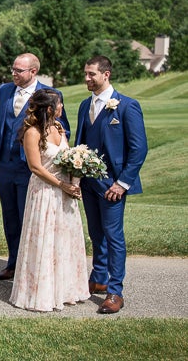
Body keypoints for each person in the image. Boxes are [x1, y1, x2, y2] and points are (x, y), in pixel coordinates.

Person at [0, 53, 70, 281]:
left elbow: (62, 130)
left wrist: (47, 157)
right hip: (3, 164)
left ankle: (29, 268)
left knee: (29, 218)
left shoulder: (51, 94)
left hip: (31, 168)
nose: (14, 73)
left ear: (33, 72)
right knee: (10, 216)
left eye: (19, 70)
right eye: (13, 69)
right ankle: (12, 264)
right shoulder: (3, 91)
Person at [75, 55, 147, 314]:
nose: (86, 78)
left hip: (113, 186)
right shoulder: (85, 105)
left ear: (106, 75)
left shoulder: (127, 106)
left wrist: (122, 183)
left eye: (91, 74)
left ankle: (116, 291)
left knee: (113, 236)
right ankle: (100, 278)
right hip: (89, 184)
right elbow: (80, 143)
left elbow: (139, 149)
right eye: (85, 73)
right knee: (96, 234)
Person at [10, 90, 90, 312]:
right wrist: (61, 184)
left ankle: (65, 290)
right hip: (45, 191)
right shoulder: (32, 132)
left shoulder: (59, 128)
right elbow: (35, 167)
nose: (62, 107)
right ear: (49, 109)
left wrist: (75, 181)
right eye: (59, 104)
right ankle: (41, 292)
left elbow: (68, 158)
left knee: (64, 239)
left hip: (65, 191)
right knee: (44, 238)